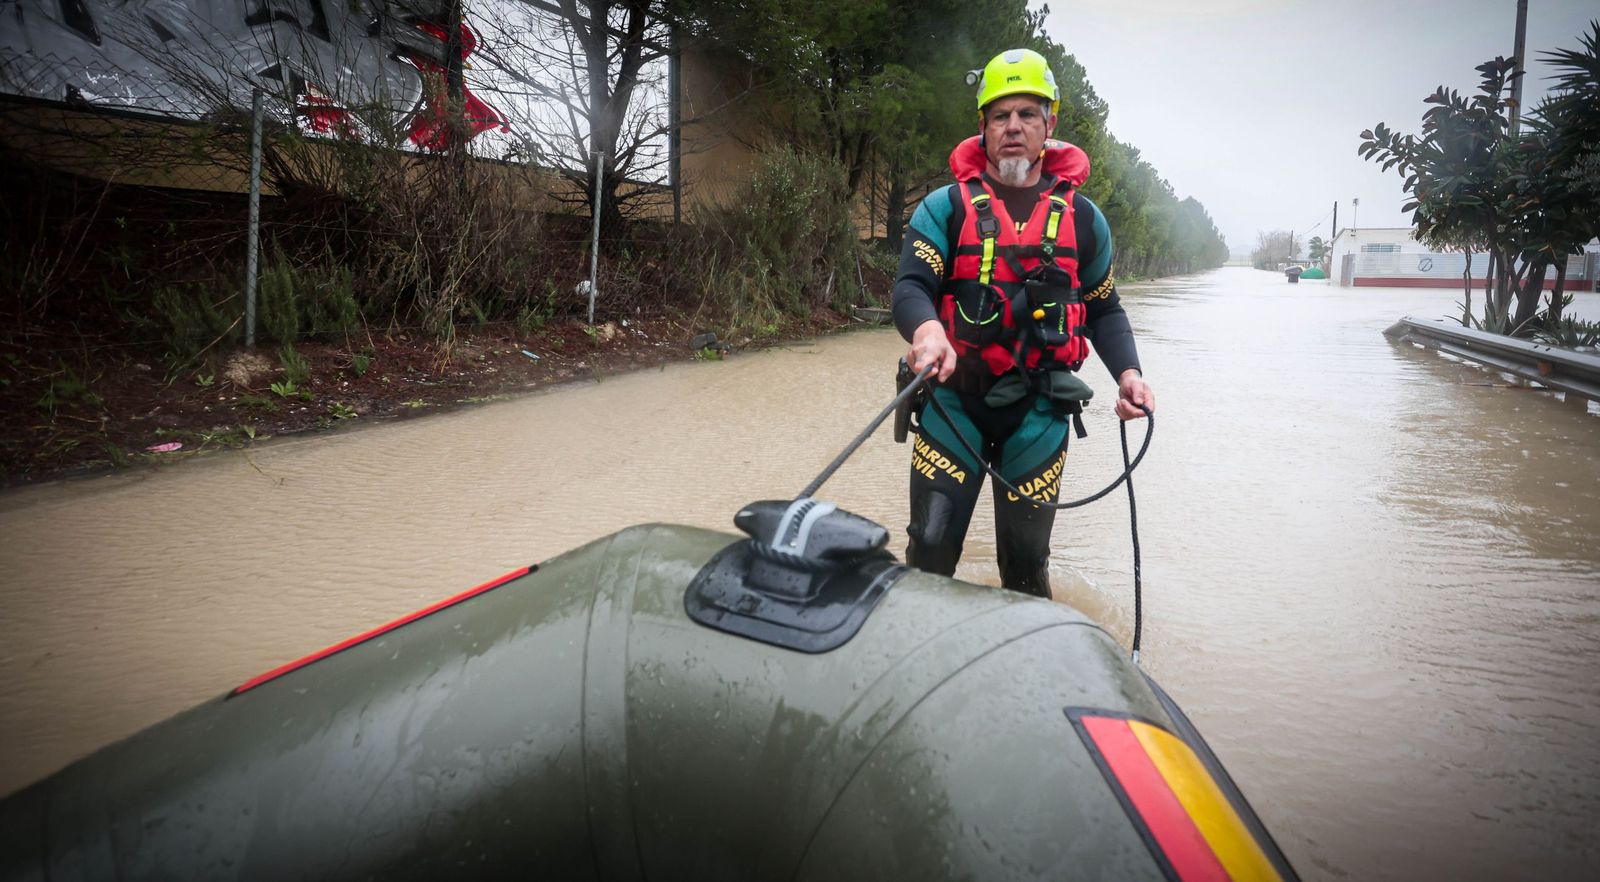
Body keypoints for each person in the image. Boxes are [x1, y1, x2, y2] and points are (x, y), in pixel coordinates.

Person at [891, 47, 1154, 598]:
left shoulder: (1084, 219)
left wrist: (1129, 374)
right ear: (982, 127)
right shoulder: (945, 208)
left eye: (1027, 114)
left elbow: (1105, 309)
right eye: (1000, 115)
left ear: (1049, 123)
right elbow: (913, 286)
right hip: (951, 404)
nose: (1013, 127)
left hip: (1037, 411)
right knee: (930, 549)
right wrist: (926, 331)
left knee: (1027, 564)